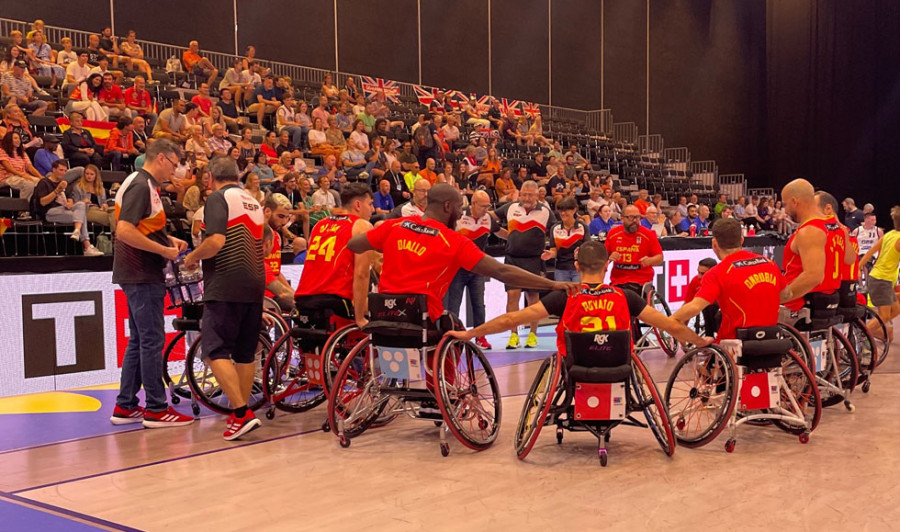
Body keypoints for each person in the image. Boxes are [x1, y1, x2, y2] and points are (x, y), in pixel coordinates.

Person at [347, 183, 575, 328]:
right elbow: (502, 271)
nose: (460, 212)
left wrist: (384, 249)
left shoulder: (395, 226)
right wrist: (551, 285)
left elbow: (354, 244)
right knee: (456, 331)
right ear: (448, 206)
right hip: (422, 319)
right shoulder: (453, 241)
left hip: (384, 315)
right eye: (458, 207)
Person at [447, 241, 709, 352]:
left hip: (575, 365)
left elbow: (511, 319)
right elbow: (670, 326)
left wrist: (469, 333)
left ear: (576, 267)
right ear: (606, 266)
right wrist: (700, 342)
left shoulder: (565, 297)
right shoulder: (626, 297)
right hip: (618, 366)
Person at [110, 139, 194, 428]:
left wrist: (167, 240)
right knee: (151, 340)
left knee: (139, 339)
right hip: (141, 273)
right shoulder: (140, 184)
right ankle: (156, 408)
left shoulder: (144, 184)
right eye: (173, 164)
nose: (174, 171)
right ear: (161, 158)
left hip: (139, 272)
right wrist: (163, 251)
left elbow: (141, 227)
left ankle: (125, 405)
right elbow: (123, 231)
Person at [181, 157, 263, 440]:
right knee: (243, 352)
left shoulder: (218, 198)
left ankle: (240, 413)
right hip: (254, 283)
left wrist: (192, 258)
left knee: (214, 349)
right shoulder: (253, 201)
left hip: (226, 282)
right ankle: (241, 413)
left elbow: (216, 241)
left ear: (210, 178)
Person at [672, 219, 785, 341]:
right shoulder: (769, 263)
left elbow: (694, 307)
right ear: (742, 240)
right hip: (772, 340)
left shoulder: (717, 273)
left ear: (714, 243)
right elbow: (787, 295)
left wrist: (668, 321)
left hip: (735, 344)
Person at [294, 182, 375, 332]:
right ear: (358, 205)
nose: (373, 209)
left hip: (303, 300)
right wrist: (359, 317)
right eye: (370, 204)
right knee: (381, 307)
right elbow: (361, 274)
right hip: (334, 301)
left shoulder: (320, 224)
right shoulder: (361, 225)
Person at [493, 180, 556, 349]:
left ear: (537, 195)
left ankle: (533, 335)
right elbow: (490, 218)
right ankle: (513, 335)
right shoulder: (510, 207)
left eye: (531, 195)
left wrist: (553, 250)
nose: (527, 198)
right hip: (512, 258)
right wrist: (502, 233)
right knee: (512, 297)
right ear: (520, 193)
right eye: (524, 194)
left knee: (533, 299)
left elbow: (557, 229)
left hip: (533, 260)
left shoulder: (546, 212)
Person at [779, 179, 853, 312]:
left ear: (795, 201)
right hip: (829, 299)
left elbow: (813, 276)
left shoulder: (810, 231)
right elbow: (849, 259)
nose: (785, 210)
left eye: (785, 204)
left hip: (800, 304)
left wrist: (780, 298)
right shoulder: (838, 227)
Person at [444, 190, 504, 350]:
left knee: (479, 304)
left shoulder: (488, 218)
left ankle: (480, 337)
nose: (486, 209)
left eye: (488, 206)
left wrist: (516, 237)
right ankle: (452, 336)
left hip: (477, 269)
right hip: (458, 268)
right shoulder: (459, 216)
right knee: (454, 304)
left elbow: (500, 233)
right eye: (483, 206)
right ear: (473, 204)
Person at [33, 159, 104, 256]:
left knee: (81, 205)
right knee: (81, 216)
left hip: (63, 209)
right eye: (61, 170)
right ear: (54, 169)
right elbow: (43, 202)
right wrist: (57, 190)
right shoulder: (44, 182)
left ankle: (77, 231)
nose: (63, 173)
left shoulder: (63, 183)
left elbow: (70, 199)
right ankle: (87, 245)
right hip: (49, 212)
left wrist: (69, 203)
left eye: (65, 171)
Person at [859, 207, 900, 342]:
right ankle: (861, 337)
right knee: (884, 316)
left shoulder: (889, 235)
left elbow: (870, 251)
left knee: (896, 310)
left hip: (880, 279)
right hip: (882, 280)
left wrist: (859, 266)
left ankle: (872, 332)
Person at [605, 204, 664, 296]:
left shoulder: (648, 234)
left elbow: (660, 258)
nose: (635, 221)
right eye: (631, 217)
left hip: (641, 282)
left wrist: (650, 261)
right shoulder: (613, 234)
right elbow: (603, 258)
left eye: (638, 217)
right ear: (622, 218)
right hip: (618, 282)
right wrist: (609, 258)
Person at [262, 193, 298, 311]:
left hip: (275, 292)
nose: (284, 222)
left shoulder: (276, 235)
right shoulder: (256, 233)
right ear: (267, 211)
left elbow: (276, 272)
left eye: (287, 217)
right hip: (261, 295)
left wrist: (294, 293)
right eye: (280, 216)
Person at [543, 197, 590, 283]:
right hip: (561, 269)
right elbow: (554, 251)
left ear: (574, 210)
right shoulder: (555, 228)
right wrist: (550, 254)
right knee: (562, 295)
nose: (563, 213)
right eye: (561, 211)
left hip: (579, 269)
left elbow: (587, 248)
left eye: (566, 211)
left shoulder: (583, 227)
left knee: (577, 294)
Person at [682, 257, 720, 336]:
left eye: (702, 273)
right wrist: (681, 327)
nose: (699, 276)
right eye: (698, 272)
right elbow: (687, 304)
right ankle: (709, 336)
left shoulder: (722, 280)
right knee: (706, 304)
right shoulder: (696, 281)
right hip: (708, 312)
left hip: (724, 313)